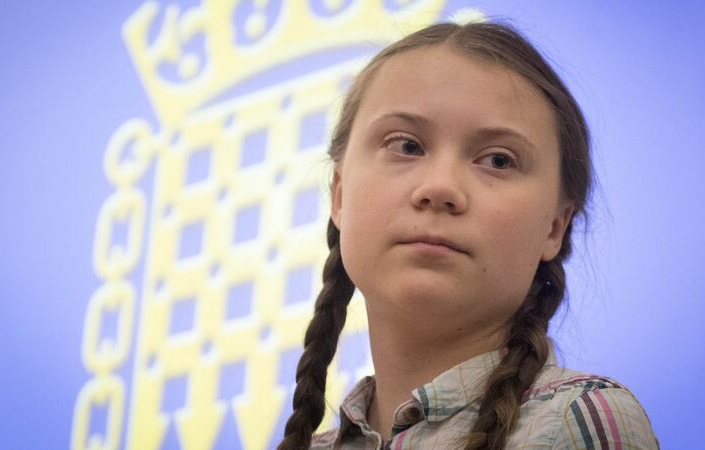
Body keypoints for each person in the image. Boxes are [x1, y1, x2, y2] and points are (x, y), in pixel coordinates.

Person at [277, 21, 658, 449]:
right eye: (406, 146)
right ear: (340, 195)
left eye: (498, 160)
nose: (440, 188)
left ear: (555, 226)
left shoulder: (573, 421)